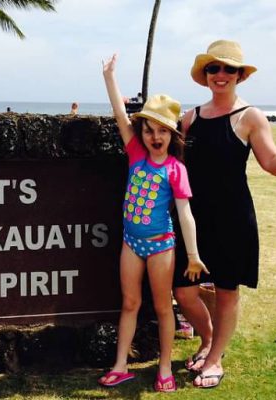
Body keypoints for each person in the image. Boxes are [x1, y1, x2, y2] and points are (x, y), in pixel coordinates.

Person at [173, 39, 276, 389]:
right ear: (205, 74)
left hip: (232, 218)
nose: (221, 74)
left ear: (239, 76)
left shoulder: (251, 117)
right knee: (185, 291)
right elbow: (180, 169)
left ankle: (215, 358)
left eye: (229, 69)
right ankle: (209, 339)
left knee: (228, 290)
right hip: (193, 219)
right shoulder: (191, 117)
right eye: (214, 68)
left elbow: (273, 166)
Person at [98, 53, 207, 392]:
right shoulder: (135, 154)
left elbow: (185, 214)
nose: (155, 137)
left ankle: (164, 368)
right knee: (130, 302)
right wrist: (110, 78)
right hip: (132, 242)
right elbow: (119, 114)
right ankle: (120, 365)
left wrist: (192, 255)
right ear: (141, 130)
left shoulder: (176, 169)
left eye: (162, 131)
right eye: (149, 129)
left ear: (171, 134)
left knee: (163, 307)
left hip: (162, 246)